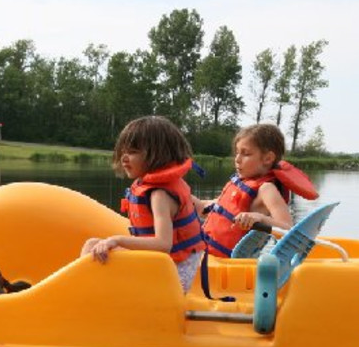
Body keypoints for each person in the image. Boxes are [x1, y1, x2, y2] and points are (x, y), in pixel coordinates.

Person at [81, 116, 205, 293]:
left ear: (158, 155)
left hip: (171, 280)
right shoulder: (152, 187)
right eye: (123, 151)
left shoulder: (160, 195)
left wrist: (117, 240)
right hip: (160, 266)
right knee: (92, 244)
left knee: (102, 248)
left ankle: (88, 296)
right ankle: (85, 291)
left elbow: (163, 245)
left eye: (132, 152)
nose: (124, 158)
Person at [193, 123, 317, 258]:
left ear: (268, 158)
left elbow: (287, 229)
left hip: (227, 264)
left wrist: (260, 218)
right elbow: (206, 208)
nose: (237, 159)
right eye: (237, 153)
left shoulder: (267, 189)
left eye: (245, 154)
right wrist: (183, 198)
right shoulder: (240, 183)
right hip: (204, 254)